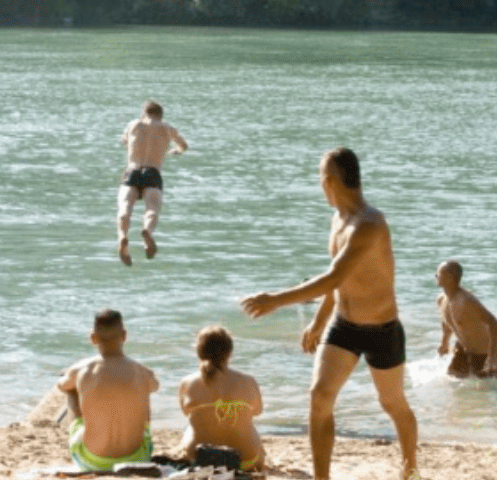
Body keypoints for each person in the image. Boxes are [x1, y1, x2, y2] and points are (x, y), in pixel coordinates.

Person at [241, 147, 418, 480]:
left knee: (392, 403)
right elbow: (341, 281)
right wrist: (320, 320)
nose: (320, 185)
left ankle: (410, 470)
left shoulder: (369, 224)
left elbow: (333, 277)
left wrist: (275, 300)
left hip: (382, 329)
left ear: (330, 181)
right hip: (344, 324)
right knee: (320, 396)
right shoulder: (338, 219)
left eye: (321, 178)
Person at [57, 309, 160, 472]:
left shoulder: (83, 369)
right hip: (138, 457)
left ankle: (84, 438)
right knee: (143, 389)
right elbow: (156, 385)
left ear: (93, 338)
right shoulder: (141, 371)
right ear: (124, 336)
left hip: (91, 460)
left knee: (71, 391)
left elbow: (61, 385)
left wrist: (70, 377)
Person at [178, 325, 266, 472]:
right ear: (229, 351)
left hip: (199, 461)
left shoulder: (187, 383)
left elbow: (186, 413)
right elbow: (258, 411)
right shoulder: (248, 381)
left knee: (191, 425)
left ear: (199, 352)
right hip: (244, 461)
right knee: (248, 422)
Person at [117, 100, 188, 265]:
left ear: (144, 112)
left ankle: (122, 238)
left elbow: (124, 141)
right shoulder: (167, 128)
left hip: (132, 172)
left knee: (124, 208)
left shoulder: (134, 124)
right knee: (152, 209)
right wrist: (176, 151)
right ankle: (147, 232)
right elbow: (184, 146)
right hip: (152, 173)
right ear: (160, 114)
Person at [435, 260, 497, 379]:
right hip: (462, 350)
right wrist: (444, 343)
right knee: (451, 385)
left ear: (450, 277)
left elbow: (494, 323)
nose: (436, 276)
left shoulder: (467, 301)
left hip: (483, 354)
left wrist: (492, 356)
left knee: (485, 394)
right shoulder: (441, 300)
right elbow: (447, 323)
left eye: (438, 274)